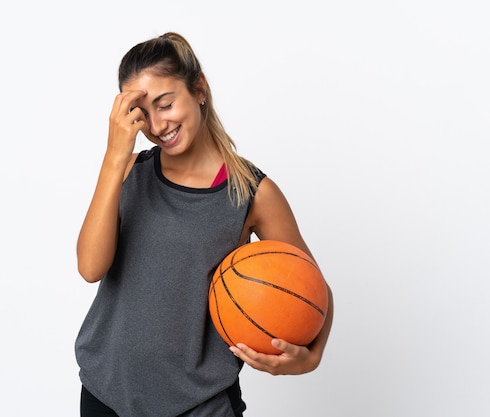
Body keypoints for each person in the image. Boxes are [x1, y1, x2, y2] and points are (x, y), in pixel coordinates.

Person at [74, 32, 334, 417]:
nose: (158, 125)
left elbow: (315, 290)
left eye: (166, 103)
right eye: (144, 114)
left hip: (198, 405)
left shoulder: (252, 194)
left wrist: (309, 358)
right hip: (105, 395)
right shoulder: (127, 171)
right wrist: (114, 156)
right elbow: (90, 267)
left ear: (199, 88)